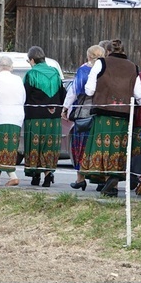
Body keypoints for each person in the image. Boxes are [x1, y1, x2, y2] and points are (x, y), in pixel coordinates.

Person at [80, 39, 141, 197]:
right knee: (118, 148)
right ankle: (113, 181)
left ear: (107, 51)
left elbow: (89, 90)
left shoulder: (101, 63)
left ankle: (110, 181)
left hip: (103, 113)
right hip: (124, 115)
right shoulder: (132, 67)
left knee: (104, 147)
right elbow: (139, 95)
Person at [63, 44, 105, 190]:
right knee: (98, 145)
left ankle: (80, 178)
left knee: (81, 145)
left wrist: (65, 108)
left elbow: (73, 91)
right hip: (100, 112)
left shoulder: (83, 70)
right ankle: (101, 180)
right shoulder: (106, 70)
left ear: (88, 56)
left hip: (83, 112)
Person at [22, 46, 65, 187]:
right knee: (49, 145)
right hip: (53, 118)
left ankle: (35, 175)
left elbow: (25, 94)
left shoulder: (31, 74)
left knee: (35, 145)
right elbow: (62, 94)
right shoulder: (55, 73)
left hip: (34, 116)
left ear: (33, 60)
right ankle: (48, 174)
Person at [0, 55, 25, 187]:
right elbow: (23, 97)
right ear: (11, 67)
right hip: (16, 117)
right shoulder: (18, 79)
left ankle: (13, 176)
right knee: (9, 148)